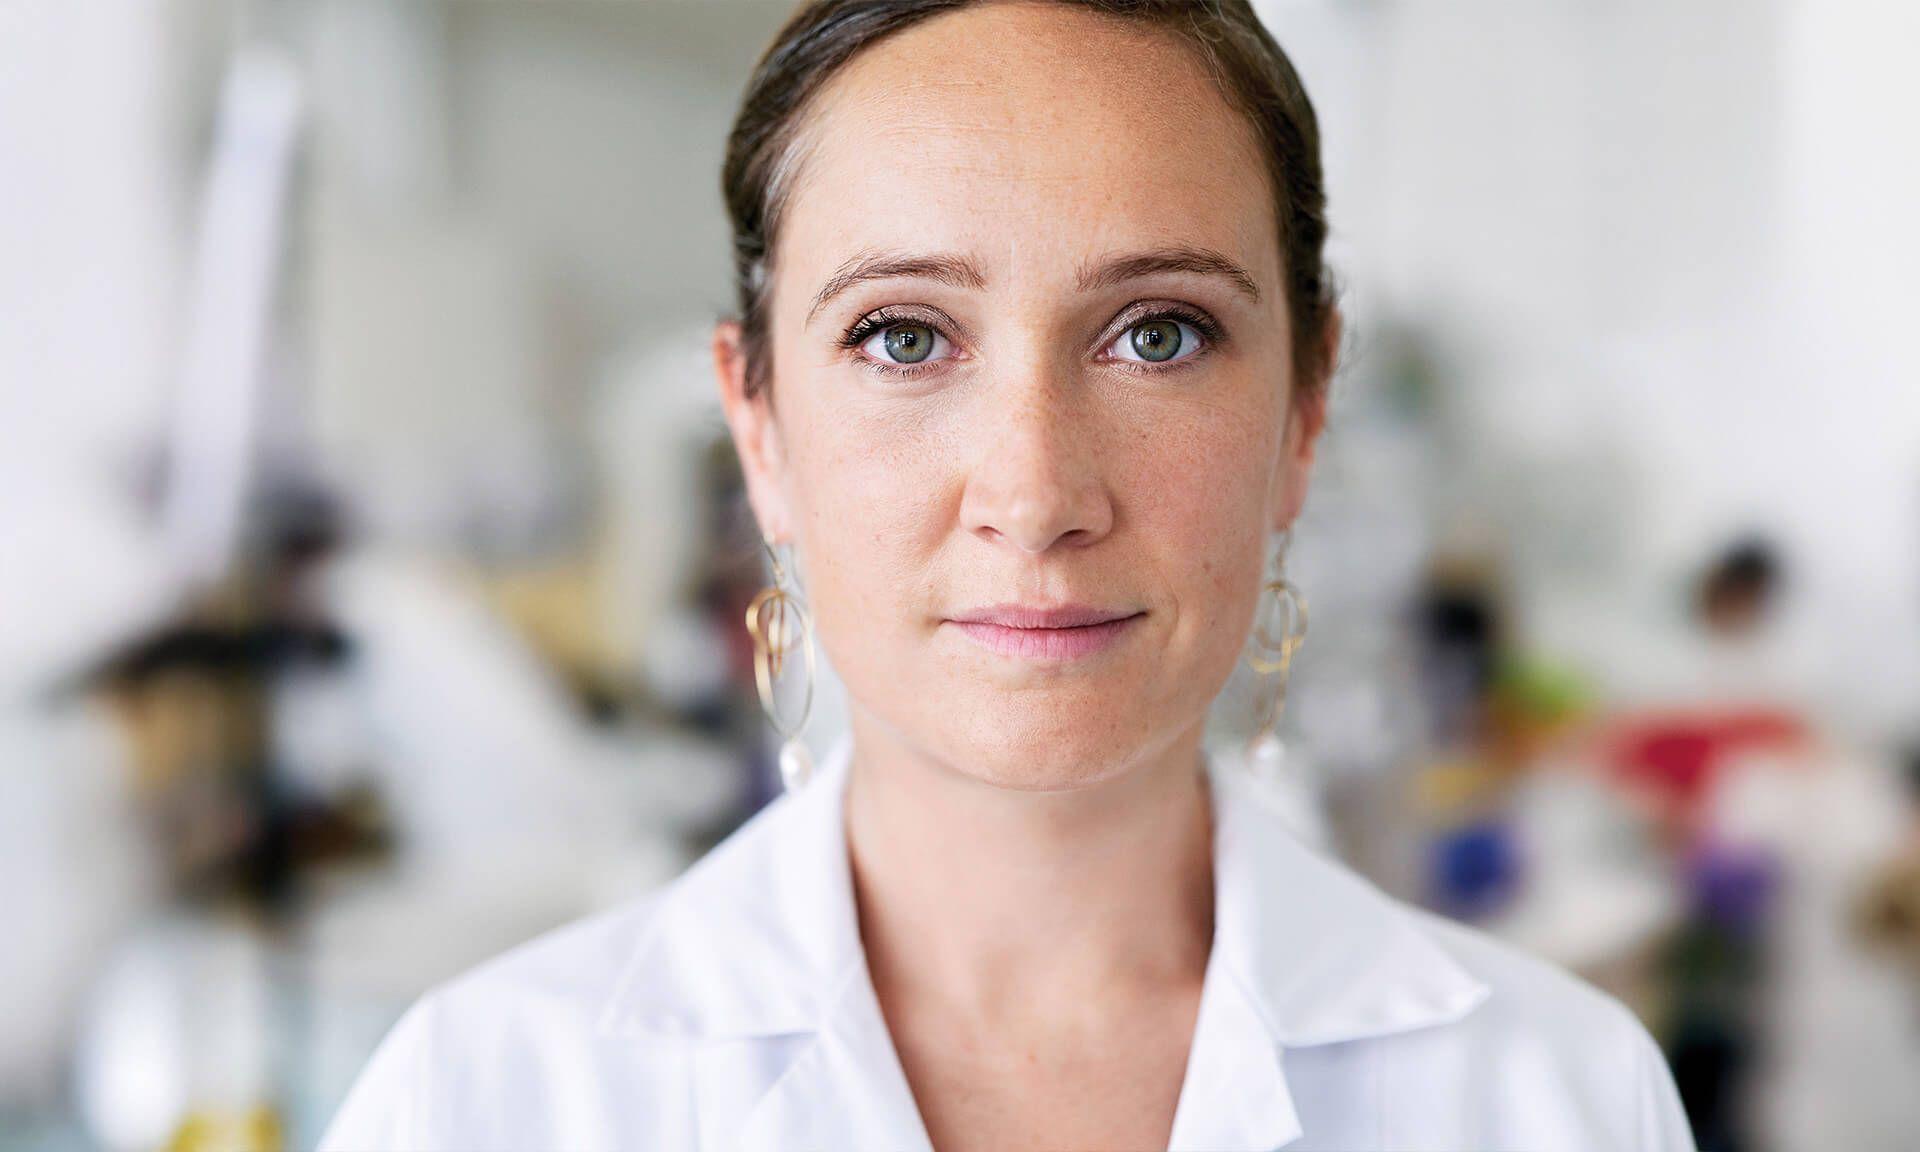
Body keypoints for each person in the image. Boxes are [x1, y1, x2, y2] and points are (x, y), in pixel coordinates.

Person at [318, 2, 1697, 1148]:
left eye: (1159, 334)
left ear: (1305, 409)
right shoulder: (484, 1101)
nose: (1035, 495)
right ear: (761, 429)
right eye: (905, 338)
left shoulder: (1556, 1099)